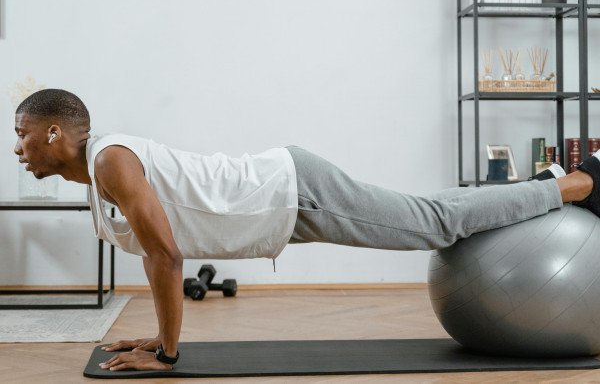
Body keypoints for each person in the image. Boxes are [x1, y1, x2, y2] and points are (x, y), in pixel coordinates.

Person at [12, 89, 600, 372]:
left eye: (24, 132)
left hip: (294, 193)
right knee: (429, 212)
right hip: (282, 208)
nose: (18, 148)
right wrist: (153, 338)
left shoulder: (111, 160)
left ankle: (575, 186)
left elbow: (165, 257)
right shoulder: (98, 175)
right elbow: (158, 252)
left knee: (436, 225)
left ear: (57, 135)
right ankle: (547, 185)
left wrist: (167, 355)